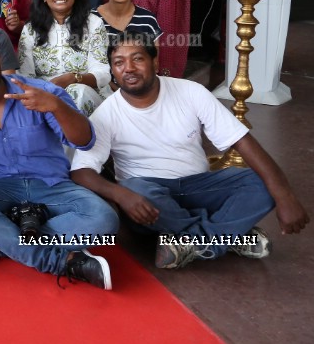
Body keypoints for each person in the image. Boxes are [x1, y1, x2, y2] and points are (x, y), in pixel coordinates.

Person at [71, 32, 309, 269]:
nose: (129, 68)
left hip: (199, 186)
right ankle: (227, 235)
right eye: (119, 63)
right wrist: (121, 195)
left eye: (137, 59)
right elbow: (81, 171)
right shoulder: (106, 114)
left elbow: (242, 141)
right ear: (113, 70)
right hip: (149, 198)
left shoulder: (191, 92)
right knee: (136, 189)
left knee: (263, 182)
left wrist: (285, 196)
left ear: (155, 61)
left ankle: (197, 241)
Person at [0, 29, 119, 289]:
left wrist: (57, 106)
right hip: (0, 192)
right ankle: (62, 262)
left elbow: (83, 140)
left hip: (53, 187)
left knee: (104, 219)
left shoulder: (40, 92)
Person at [18, 0, 111, 117]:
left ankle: (77, 139)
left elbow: (102, 73)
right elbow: (26, 74)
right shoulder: (31, 29)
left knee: (78, 93)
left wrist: (73, 79)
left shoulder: (93, 23)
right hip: (45, 93)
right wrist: (49, 90)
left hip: (87, 92)